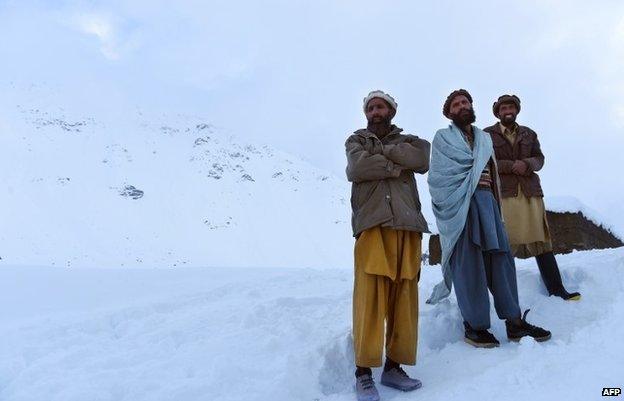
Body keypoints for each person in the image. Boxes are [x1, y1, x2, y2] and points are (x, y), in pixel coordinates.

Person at [427, 89, 551, 348]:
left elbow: (492, 172)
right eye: (456, 104)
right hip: (461, 206)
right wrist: (461, 196)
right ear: (449, 112)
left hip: (488, 204)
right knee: (469, 264)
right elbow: (439, 178)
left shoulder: (484, 139)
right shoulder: (443, 138)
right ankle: (475, 326)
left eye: (466, 102)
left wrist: (494, 203)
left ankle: (514, 322)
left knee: (502, 260)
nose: (462, 106)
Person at [346, 90, 429, 401]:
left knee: (404, 297)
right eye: (370, 107)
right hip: (373, 225)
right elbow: (356, 169)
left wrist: (383, 157)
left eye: (380, 106)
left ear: (391, 110)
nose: (375, 111)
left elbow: (421, 159)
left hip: (407, 226)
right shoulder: (356, 140)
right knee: (370, 297)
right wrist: (397, 163)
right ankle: (363, 372)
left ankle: (394, 367)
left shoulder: (411, 140)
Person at [484, 95, 581, 301]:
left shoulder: (529, 133)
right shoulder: (487, 135)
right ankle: (503, 298)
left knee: (542, 241)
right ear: (498, 112)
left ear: (516, 110)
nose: (508, 110)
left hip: (531, 192)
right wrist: (511, 166)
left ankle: (557, 290)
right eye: (504, 108)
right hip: (506, 194)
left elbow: (540, 159)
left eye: (511, 107)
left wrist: (527, 164)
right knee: (505, 242)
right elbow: (485, 161)